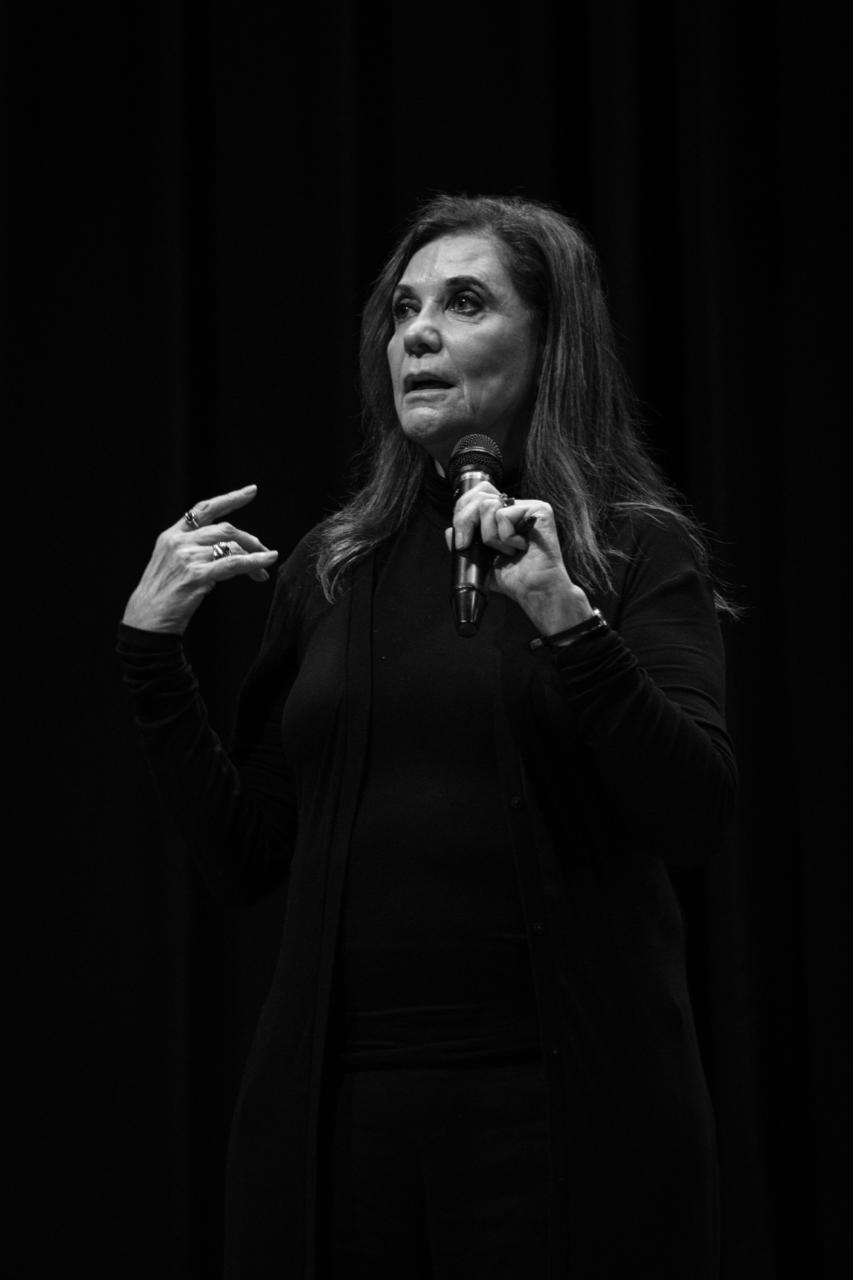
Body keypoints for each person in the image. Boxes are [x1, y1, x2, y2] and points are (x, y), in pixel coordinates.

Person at [118, 194, 737, 1279]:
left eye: (463, 302)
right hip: (343, 1119)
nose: (417, 332)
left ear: (551, 340)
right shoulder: (333, 566)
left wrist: (563, 613)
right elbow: (245, 853)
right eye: (404, 308)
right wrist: (151, 658)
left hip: (561, 1115)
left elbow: (692, 809)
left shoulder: (632, 552)